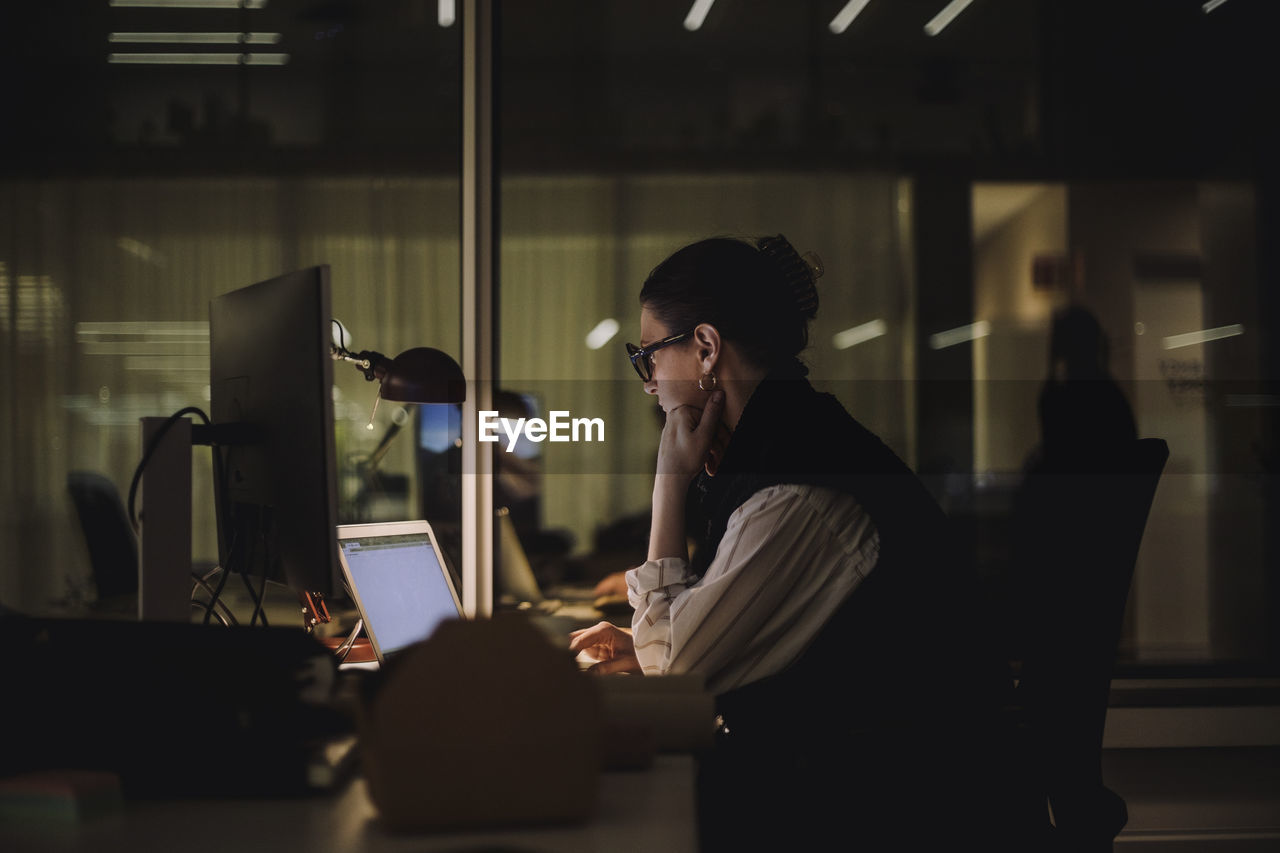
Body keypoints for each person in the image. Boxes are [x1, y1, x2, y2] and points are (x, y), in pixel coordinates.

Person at [569, 235, 1036, 850]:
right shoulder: (794, 442)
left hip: (903, 810)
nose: (649, 383)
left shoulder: (797, 488)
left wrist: (668, 488)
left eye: (648, 356)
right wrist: (654, 641)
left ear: (706, 348)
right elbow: (691, 655)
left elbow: (679, 675)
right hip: (878, 785)